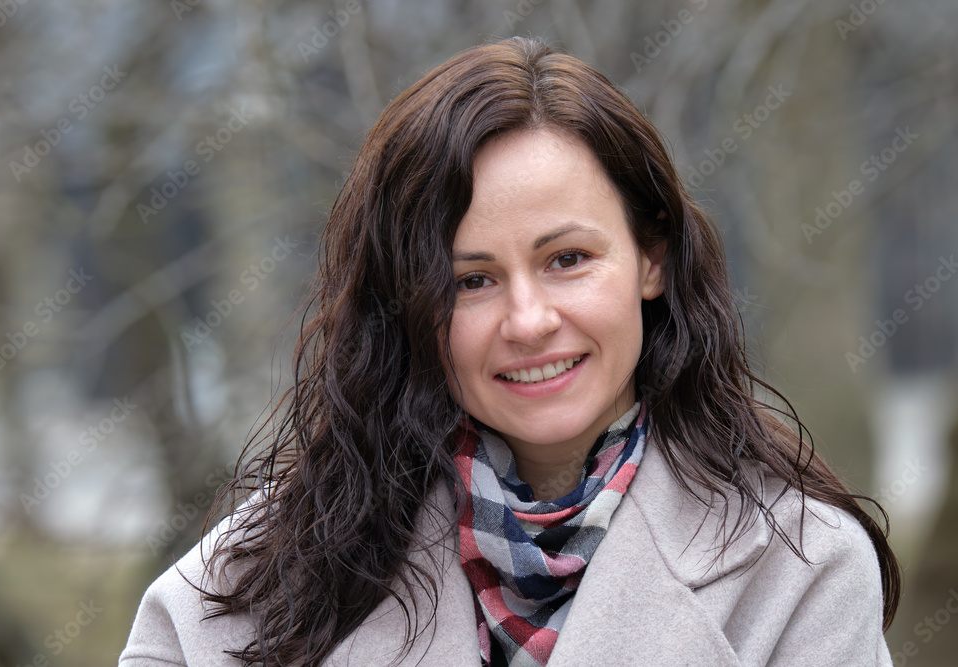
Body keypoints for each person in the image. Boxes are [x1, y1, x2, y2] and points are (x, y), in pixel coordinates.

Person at [120, 36, 901, 666]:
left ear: (652, 258)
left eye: (568, 259)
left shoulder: (800, 570)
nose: (527, 320)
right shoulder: (248, 583)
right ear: (407, 307)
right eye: (471, 280)